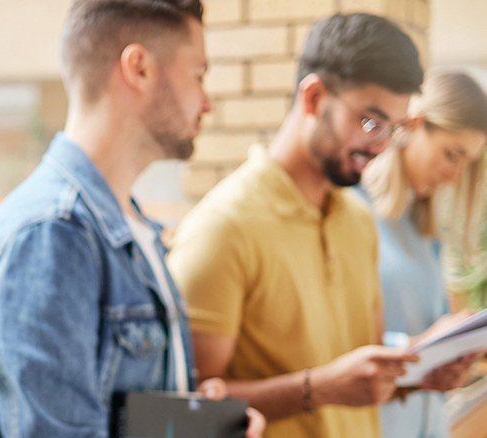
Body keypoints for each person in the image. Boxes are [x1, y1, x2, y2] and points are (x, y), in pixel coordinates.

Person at [0, 1, 264, 437]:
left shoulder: (131, 227)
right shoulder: (55, 233)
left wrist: (198, 421)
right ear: (139, 67)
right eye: (198, 76)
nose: (208, 103)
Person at [166, 13, 431, 438]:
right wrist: (316, 390)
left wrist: (423, 371)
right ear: (313, 98)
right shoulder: (223, 227)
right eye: (370, 122)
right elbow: (187, 405)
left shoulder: (360, 221)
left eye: (393, 130)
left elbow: (362, 376)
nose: (380, 145)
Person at [359, 70, 487, 438]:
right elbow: (335, 346)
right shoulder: (353, 215)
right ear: (414, 125)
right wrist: (421, 346)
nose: (454, 176)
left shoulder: (424, 233)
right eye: (451, 155)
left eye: (467, 164)